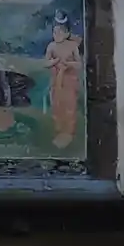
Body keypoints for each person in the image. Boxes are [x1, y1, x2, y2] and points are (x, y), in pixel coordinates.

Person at [44, 15, 84, 149]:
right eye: (54, 32)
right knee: (57, 106)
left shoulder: (73, 46)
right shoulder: (51, 46)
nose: (57, 35)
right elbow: (46, 63)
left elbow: (79, 64)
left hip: (69, 82)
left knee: (70, 106)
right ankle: (59, 131)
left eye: (60, 32)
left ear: (67, 33)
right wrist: (53, 62)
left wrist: (69, 64)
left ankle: (68, 133)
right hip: (56, 82)